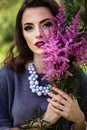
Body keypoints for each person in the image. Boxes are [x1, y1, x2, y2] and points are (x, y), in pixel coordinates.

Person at [0, 0, 87, 130]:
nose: (38, 34)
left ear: (60, 27)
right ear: (22, 34)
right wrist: (45, 120)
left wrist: (80, 121)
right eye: (29, 27)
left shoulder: (76, 75)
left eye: (46, 24)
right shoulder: (9, 75)